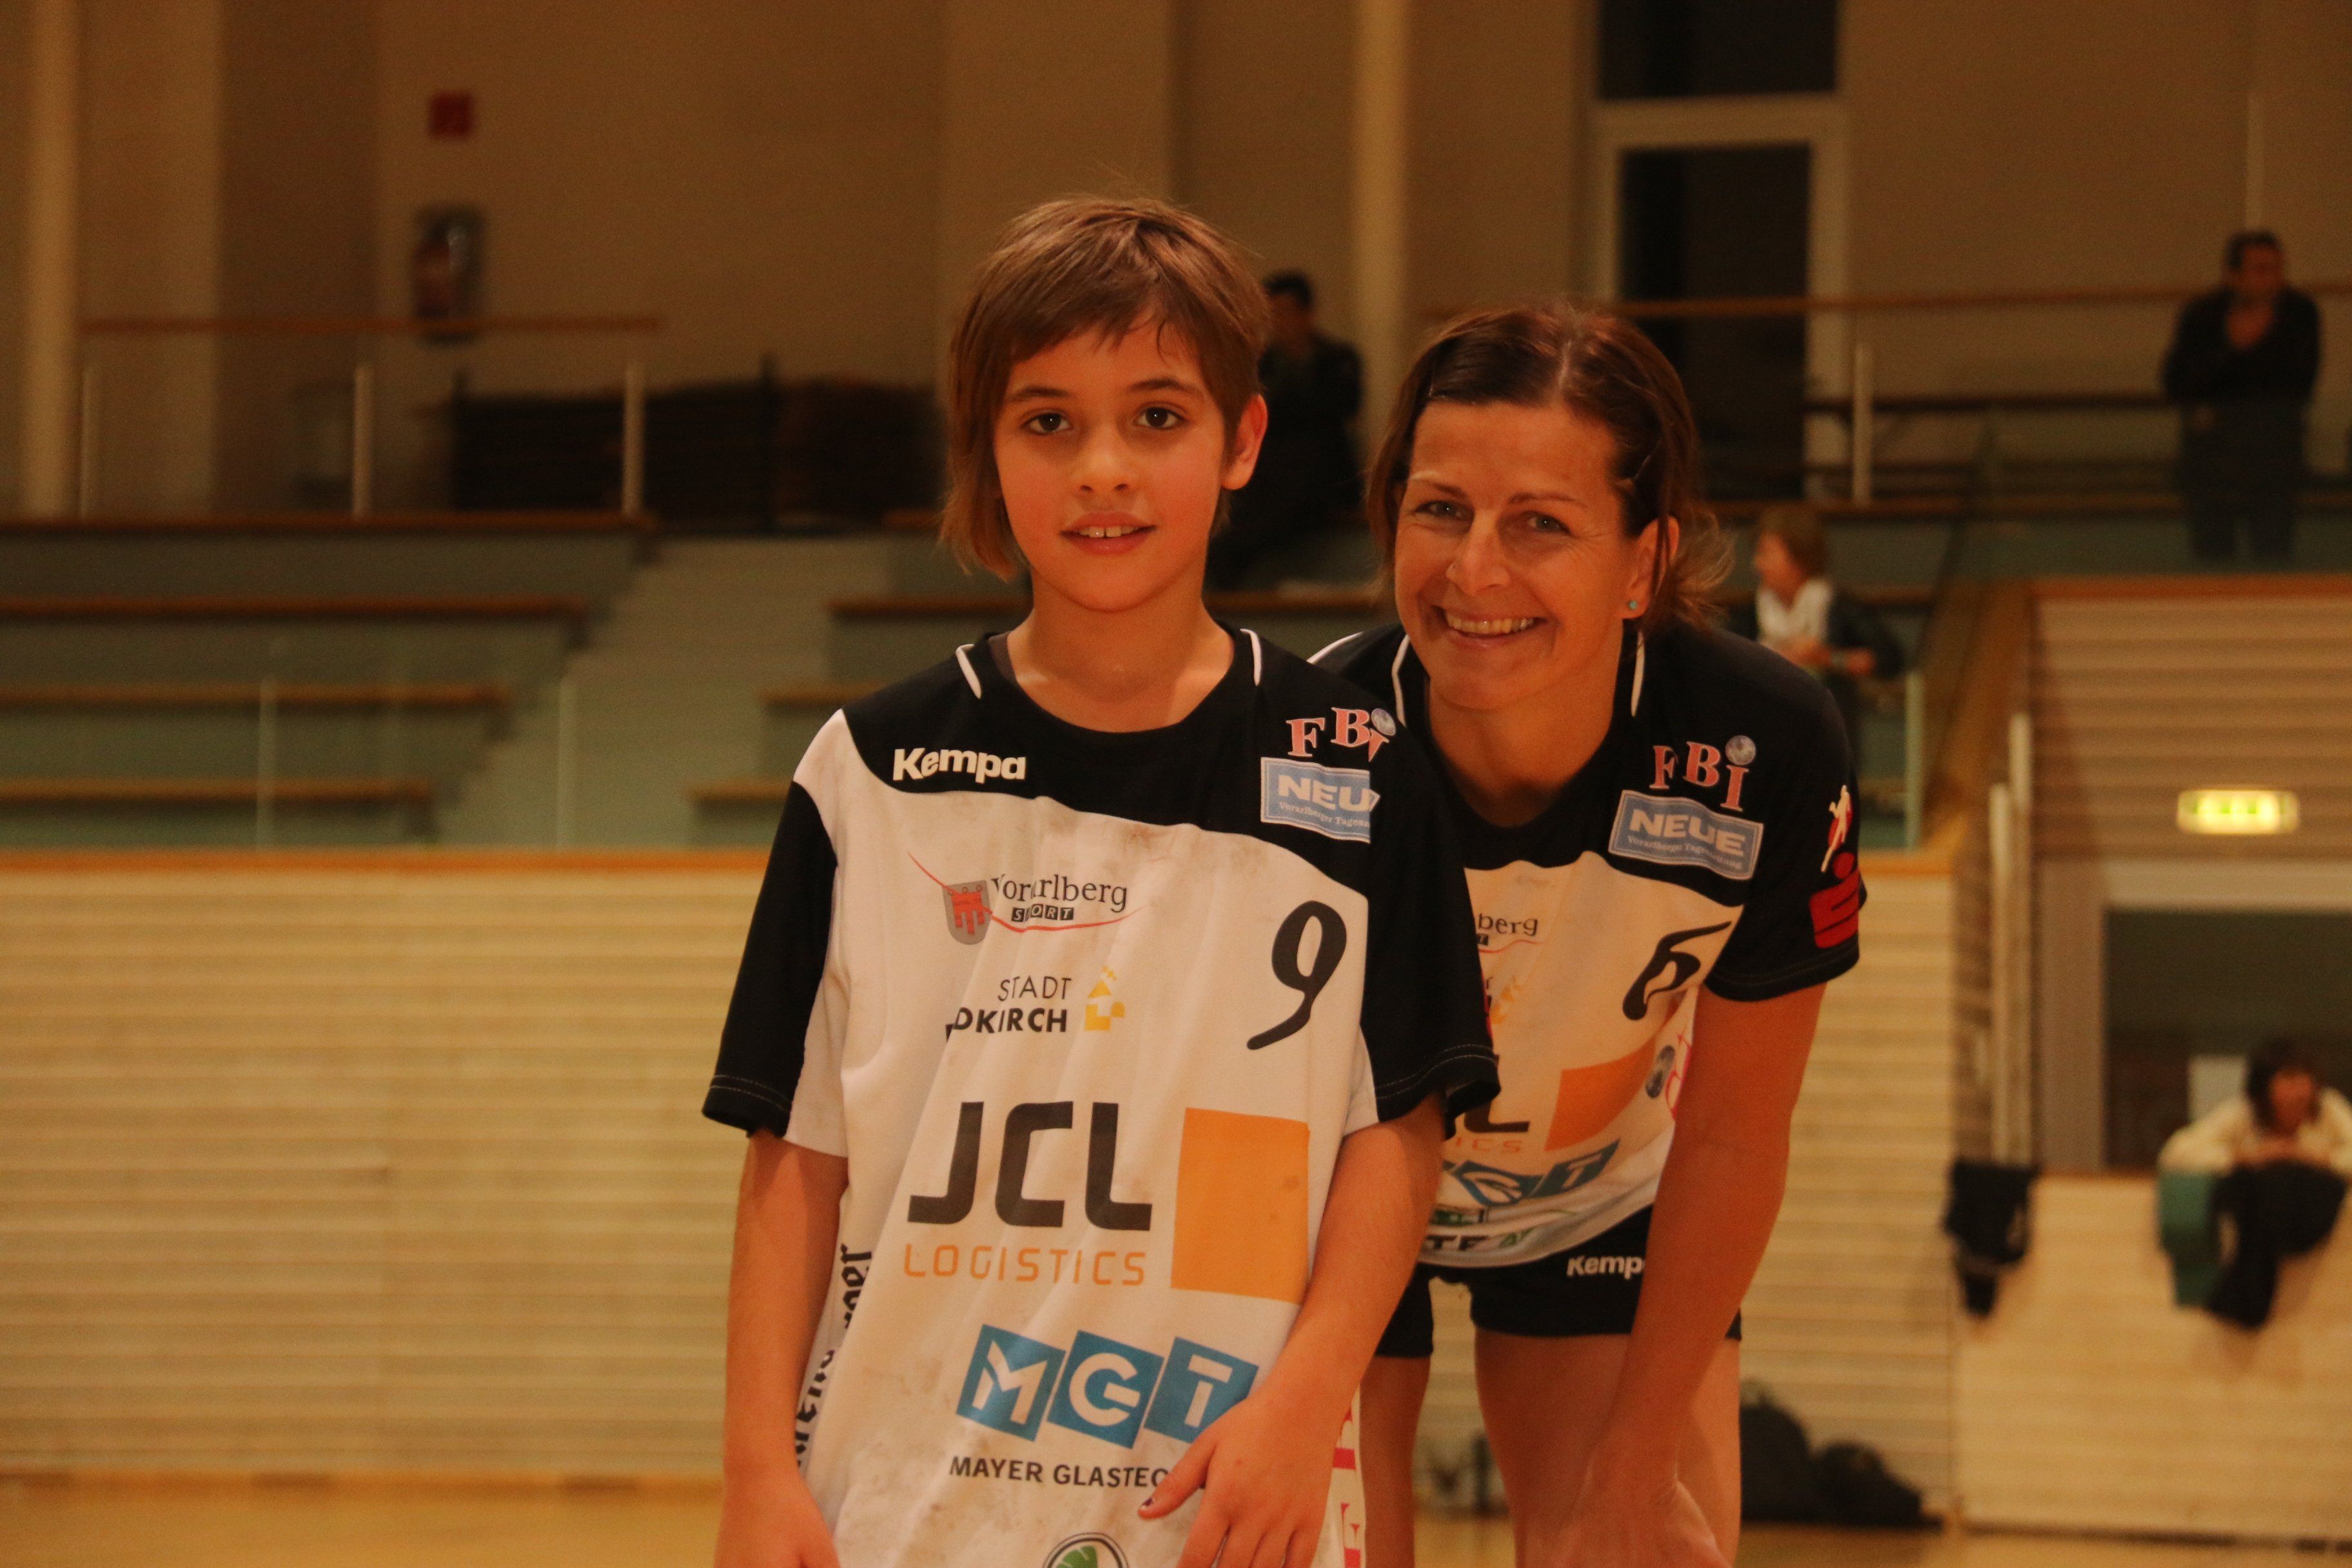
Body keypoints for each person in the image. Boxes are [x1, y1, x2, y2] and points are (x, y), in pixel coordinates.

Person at [705, 197, 1498, 1568]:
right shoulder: (866, 771)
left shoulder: (1362, 771)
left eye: (1157, 417)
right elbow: (795, 1155)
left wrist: (1307, 1400)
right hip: (902, 1506)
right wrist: (752, 1469)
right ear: (987, 446)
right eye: (1048, 422)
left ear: (1241, 439)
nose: (1103, 471)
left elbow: (1401, 1130)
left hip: (1229, 1497)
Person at [1318, 303, 1867, 1568]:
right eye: (1440, 509)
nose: (1474, 572)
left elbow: (1733, 1134)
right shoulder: (1309, 743)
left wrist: (1633, 1455)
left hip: (1598, 1197)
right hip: (1337, 1204)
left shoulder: (1765, 747)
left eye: (1540, 524)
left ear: (1643, 560)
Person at [2161, 230, 2322, 562]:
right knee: (2213, 557)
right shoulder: (2203, 314)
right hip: (2212, 455)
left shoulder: (2299, 312)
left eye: (2277, 269)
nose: (2272, 279)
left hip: (2273, 455)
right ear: (2233, 275)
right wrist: (2232, 350)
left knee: (2272, 555)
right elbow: (2177, 383)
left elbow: (2299, 383)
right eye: (2260, 270)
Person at [1209, 271, 1365, 588]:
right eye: (1273, 314)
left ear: (1307, 314)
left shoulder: (1337, 359)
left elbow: (1340, 409)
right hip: (1271, 469)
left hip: (1321, 472)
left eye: (1286, 311)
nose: (1280, 322)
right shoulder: (1263, 364)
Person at [1722, 502, 1906, 743]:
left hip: (1826, 734)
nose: (1758, 564)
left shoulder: (1840, 606)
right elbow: (1726, 667)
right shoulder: (1748, 613)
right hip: (1763, 734)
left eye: (1767, 553)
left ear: (1800, 556)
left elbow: (1889, 659)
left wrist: (1824, 657)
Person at [2160, 1039, 2352, 1177]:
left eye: (2306, 1079)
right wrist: (2246, 1157)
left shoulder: (2327, 1106)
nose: (2300, 1091)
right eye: (2289, 1079)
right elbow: (2175, 1154)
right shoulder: (2244, 1111)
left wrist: (2318, 1158)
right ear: (2264, 1087)